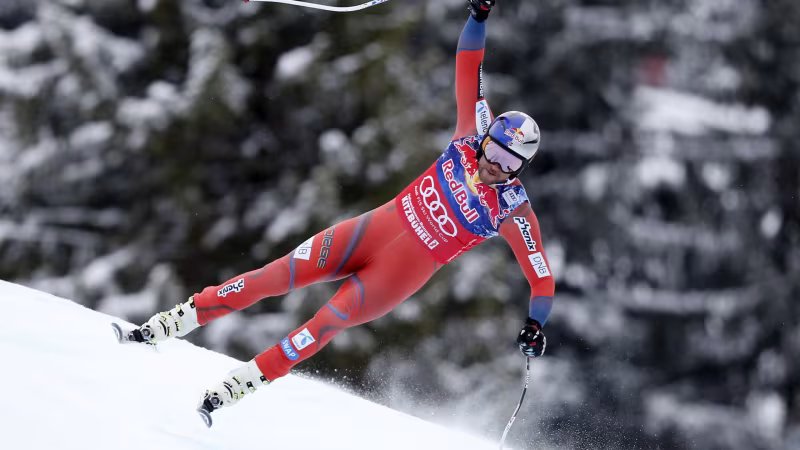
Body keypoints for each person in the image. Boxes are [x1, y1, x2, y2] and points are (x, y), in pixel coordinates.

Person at [127, 0, 555, 423]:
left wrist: (535, 326)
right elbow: (468, 63)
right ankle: (172, 322)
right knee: (273, 277)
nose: (496, 165)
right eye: (495, 151)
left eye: (511, 162)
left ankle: (240, 384)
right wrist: (478, 15)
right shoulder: (471, 132)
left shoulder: (513, 210)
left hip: (396, 276)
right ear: (487, 139)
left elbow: (541, 279)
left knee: (324, 322)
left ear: (523, 168)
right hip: (368, 231)